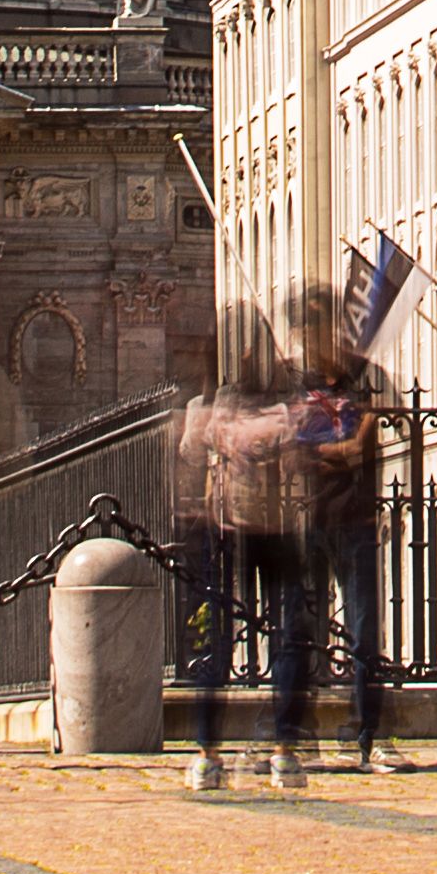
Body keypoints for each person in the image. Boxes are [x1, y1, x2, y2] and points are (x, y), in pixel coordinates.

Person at [176, 306, 289, 797]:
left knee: (219, 634)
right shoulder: (277, 401)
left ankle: (209, 753)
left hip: (228, 522)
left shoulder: (221, 401)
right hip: (269, 521)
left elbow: (190, 449)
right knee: (277, 629)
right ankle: (281, 747)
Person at [293, 288, 398, 774]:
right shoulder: (297, 386)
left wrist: (370, 432)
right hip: (312, 517)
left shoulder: (362, 377)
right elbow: (296, 450)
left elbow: (396, 420)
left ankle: (368, 735)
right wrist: (349, 447)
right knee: (303, 631)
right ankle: (299, 734)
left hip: (356, 516)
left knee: (363, 633)